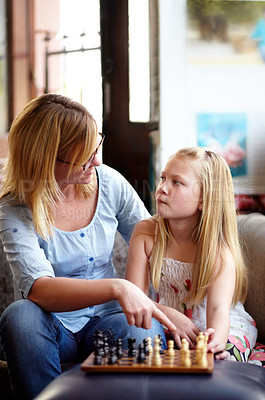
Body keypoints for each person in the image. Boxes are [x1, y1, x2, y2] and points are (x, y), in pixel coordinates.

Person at [0, 93, 175, 400]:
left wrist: (164, 307)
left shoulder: (108, 182)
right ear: (45, 159)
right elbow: (40, 289)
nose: (96, 161)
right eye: (83, 156)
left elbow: (157, 241)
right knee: (20, 316)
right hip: (52, 327)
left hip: (112, 321)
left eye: (97, 146)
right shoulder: (14, 208)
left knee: (143, 329)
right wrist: (118, 287)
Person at [126, 147, 257, 361]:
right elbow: (134, 298)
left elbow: (217, 310)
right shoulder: (145, 233)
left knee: (221, 359)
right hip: (166, 321)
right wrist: (171, 316)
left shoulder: (217, 252)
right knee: (144, 349)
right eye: (163, 178)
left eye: (177, 182)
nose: (162, 188)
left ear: (204, 199)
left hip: (218, 325)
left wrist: (216, 343)